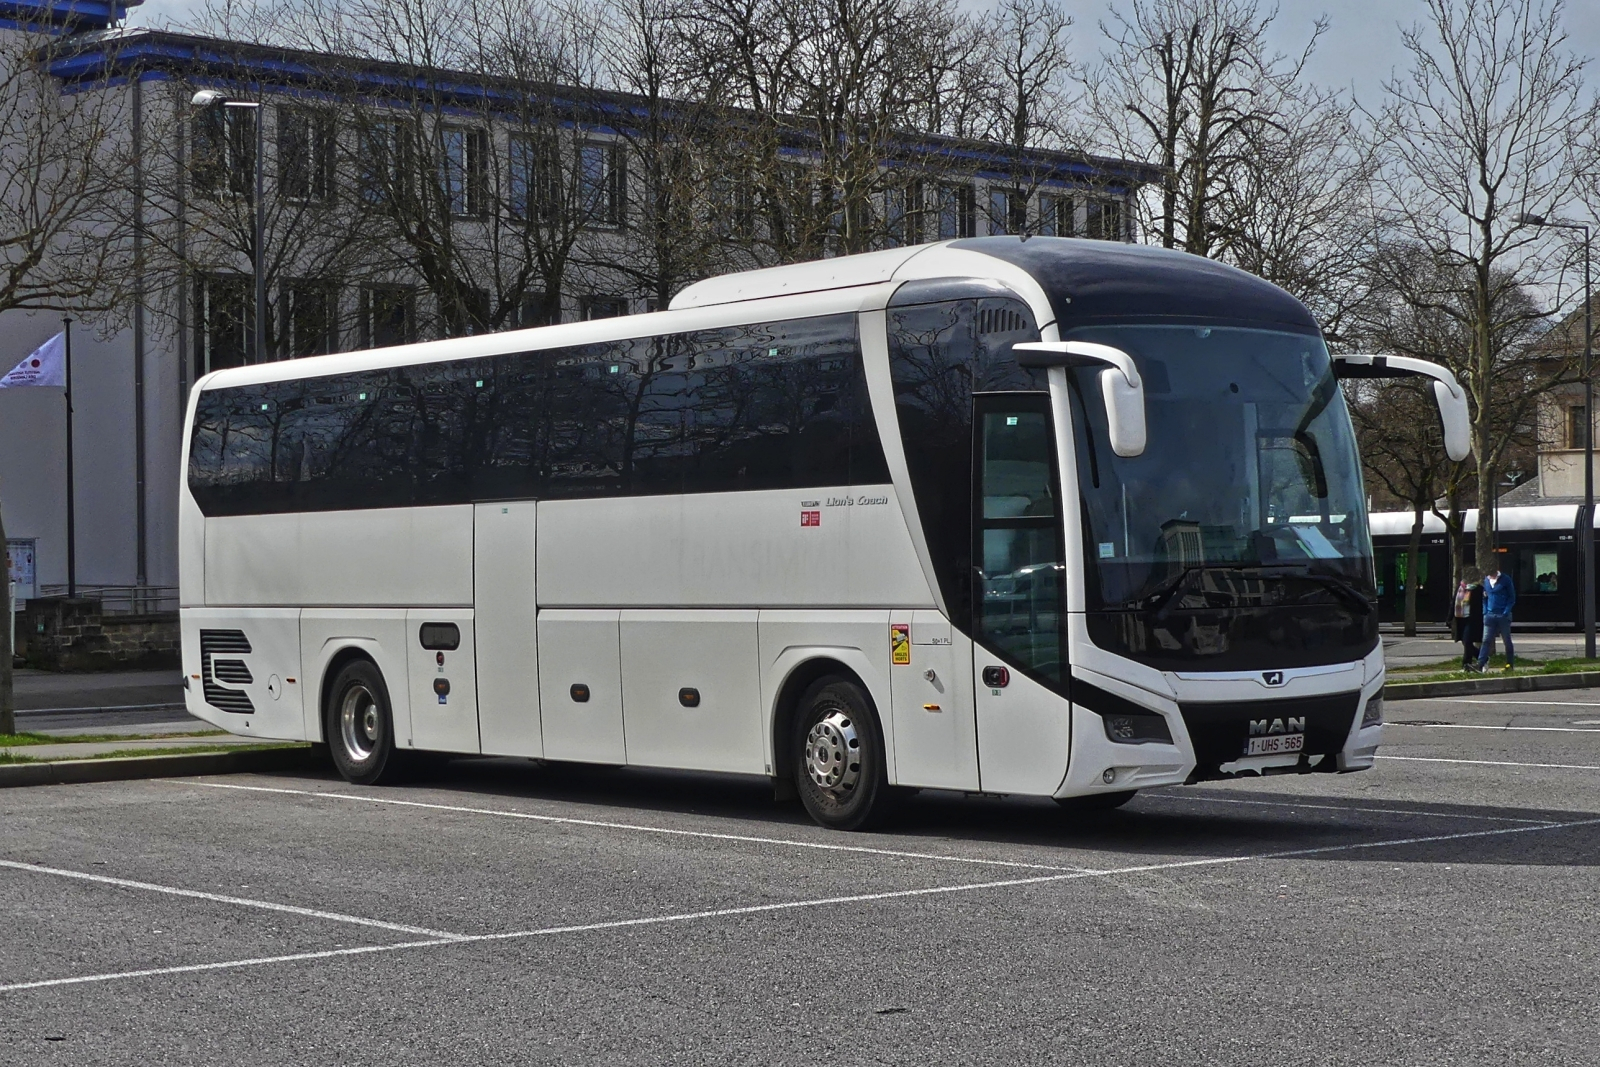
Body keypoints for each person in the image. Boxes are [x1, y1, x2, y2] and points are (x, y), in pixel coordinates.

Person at [1477, 561, 1517, 672]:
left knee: (1506, 640)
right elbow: (1484, 597)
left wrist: (1506, 611)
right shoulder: (1486, 581)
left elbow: (1512, 597)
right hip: (1489, 615)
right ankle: (1480, 664)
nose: (1490, 576)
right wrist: (1485, 611)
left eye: (1492, 574)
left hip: (1502, 615)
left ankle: (1509, 664)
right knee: (1486, 640)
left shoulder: (1505, 579)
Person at [1453, 568, 1483, 671]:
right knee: (1465, 641)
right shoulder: (1461, 588)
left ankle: (1466, 664)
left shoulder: (1478, 589)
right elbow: (1454, 602)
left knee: (1467, 641)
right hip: (1461, 618)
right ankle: (1482, 658)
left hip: (1472, 619)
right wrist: (1449, 618)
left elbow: (1480, 606)